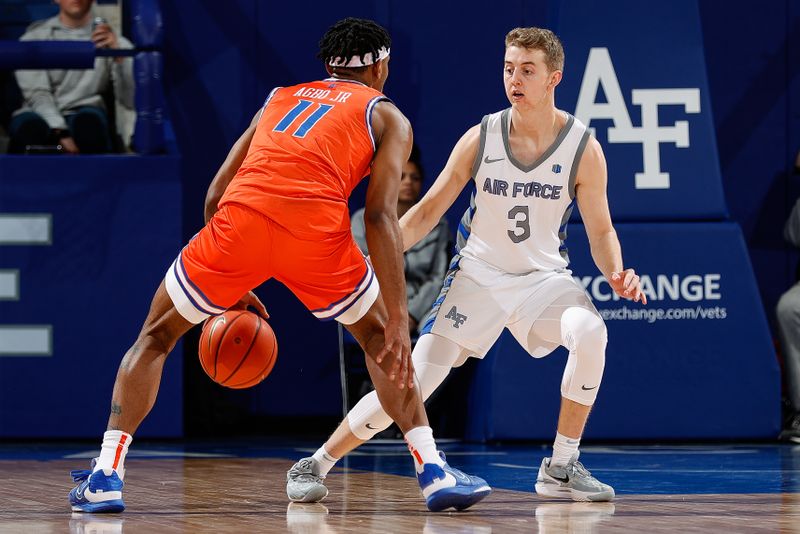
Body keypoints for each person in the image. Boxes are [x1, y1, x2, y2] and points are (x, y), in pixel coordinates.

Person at [67, 17, 489, 514]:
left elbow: (215, 195)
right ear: (381, 66)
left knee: (156, 337)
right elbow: (379, 215)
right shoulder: (386, 115)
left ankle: (107, 475)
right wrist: (397, 317)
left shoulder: (279, 96)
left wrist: (235, 280)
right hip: (317, 234)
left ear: (327, 65)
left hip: (242, 220)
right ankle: (433, 471)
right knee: (379, 342)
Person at [286, 26, 646, 504]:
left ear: (554, 78)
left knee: (591, 332)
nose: (514, 79)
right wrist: (374, 260)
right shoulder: (482, 136)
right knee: (410, 383)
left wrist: (616, 271)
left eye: (527, 70)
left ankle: (560, 465)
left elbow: (601, 230)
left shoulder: (584, 148)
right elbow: (426, 212)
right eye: (508, 68)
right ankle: (318, 461)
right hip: (476, 277)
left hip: (543, 280)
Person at [350, 145, 452, 335]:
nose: (408, 183)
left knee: (435, 330)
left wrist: (411, 314)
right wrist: (393, 313)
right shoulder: (362, 221)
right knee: (379, 332)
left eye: (415, 178)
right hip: (379, 305)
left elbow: (438, 278)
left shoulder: (438, 225)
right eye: (402, 176)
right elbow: (364, 272)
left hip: (423, 308)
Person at [9, 0, 134, 154]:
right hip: (41, 115)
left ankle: (95, 176)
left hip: (85, 114)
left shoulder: (114, 41)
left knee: (89, 126)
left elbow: (130, 99)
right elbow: (37, 94)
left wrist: (119, 57)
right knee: (31, 131)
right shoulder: (33, 38)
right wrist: (61, 131)